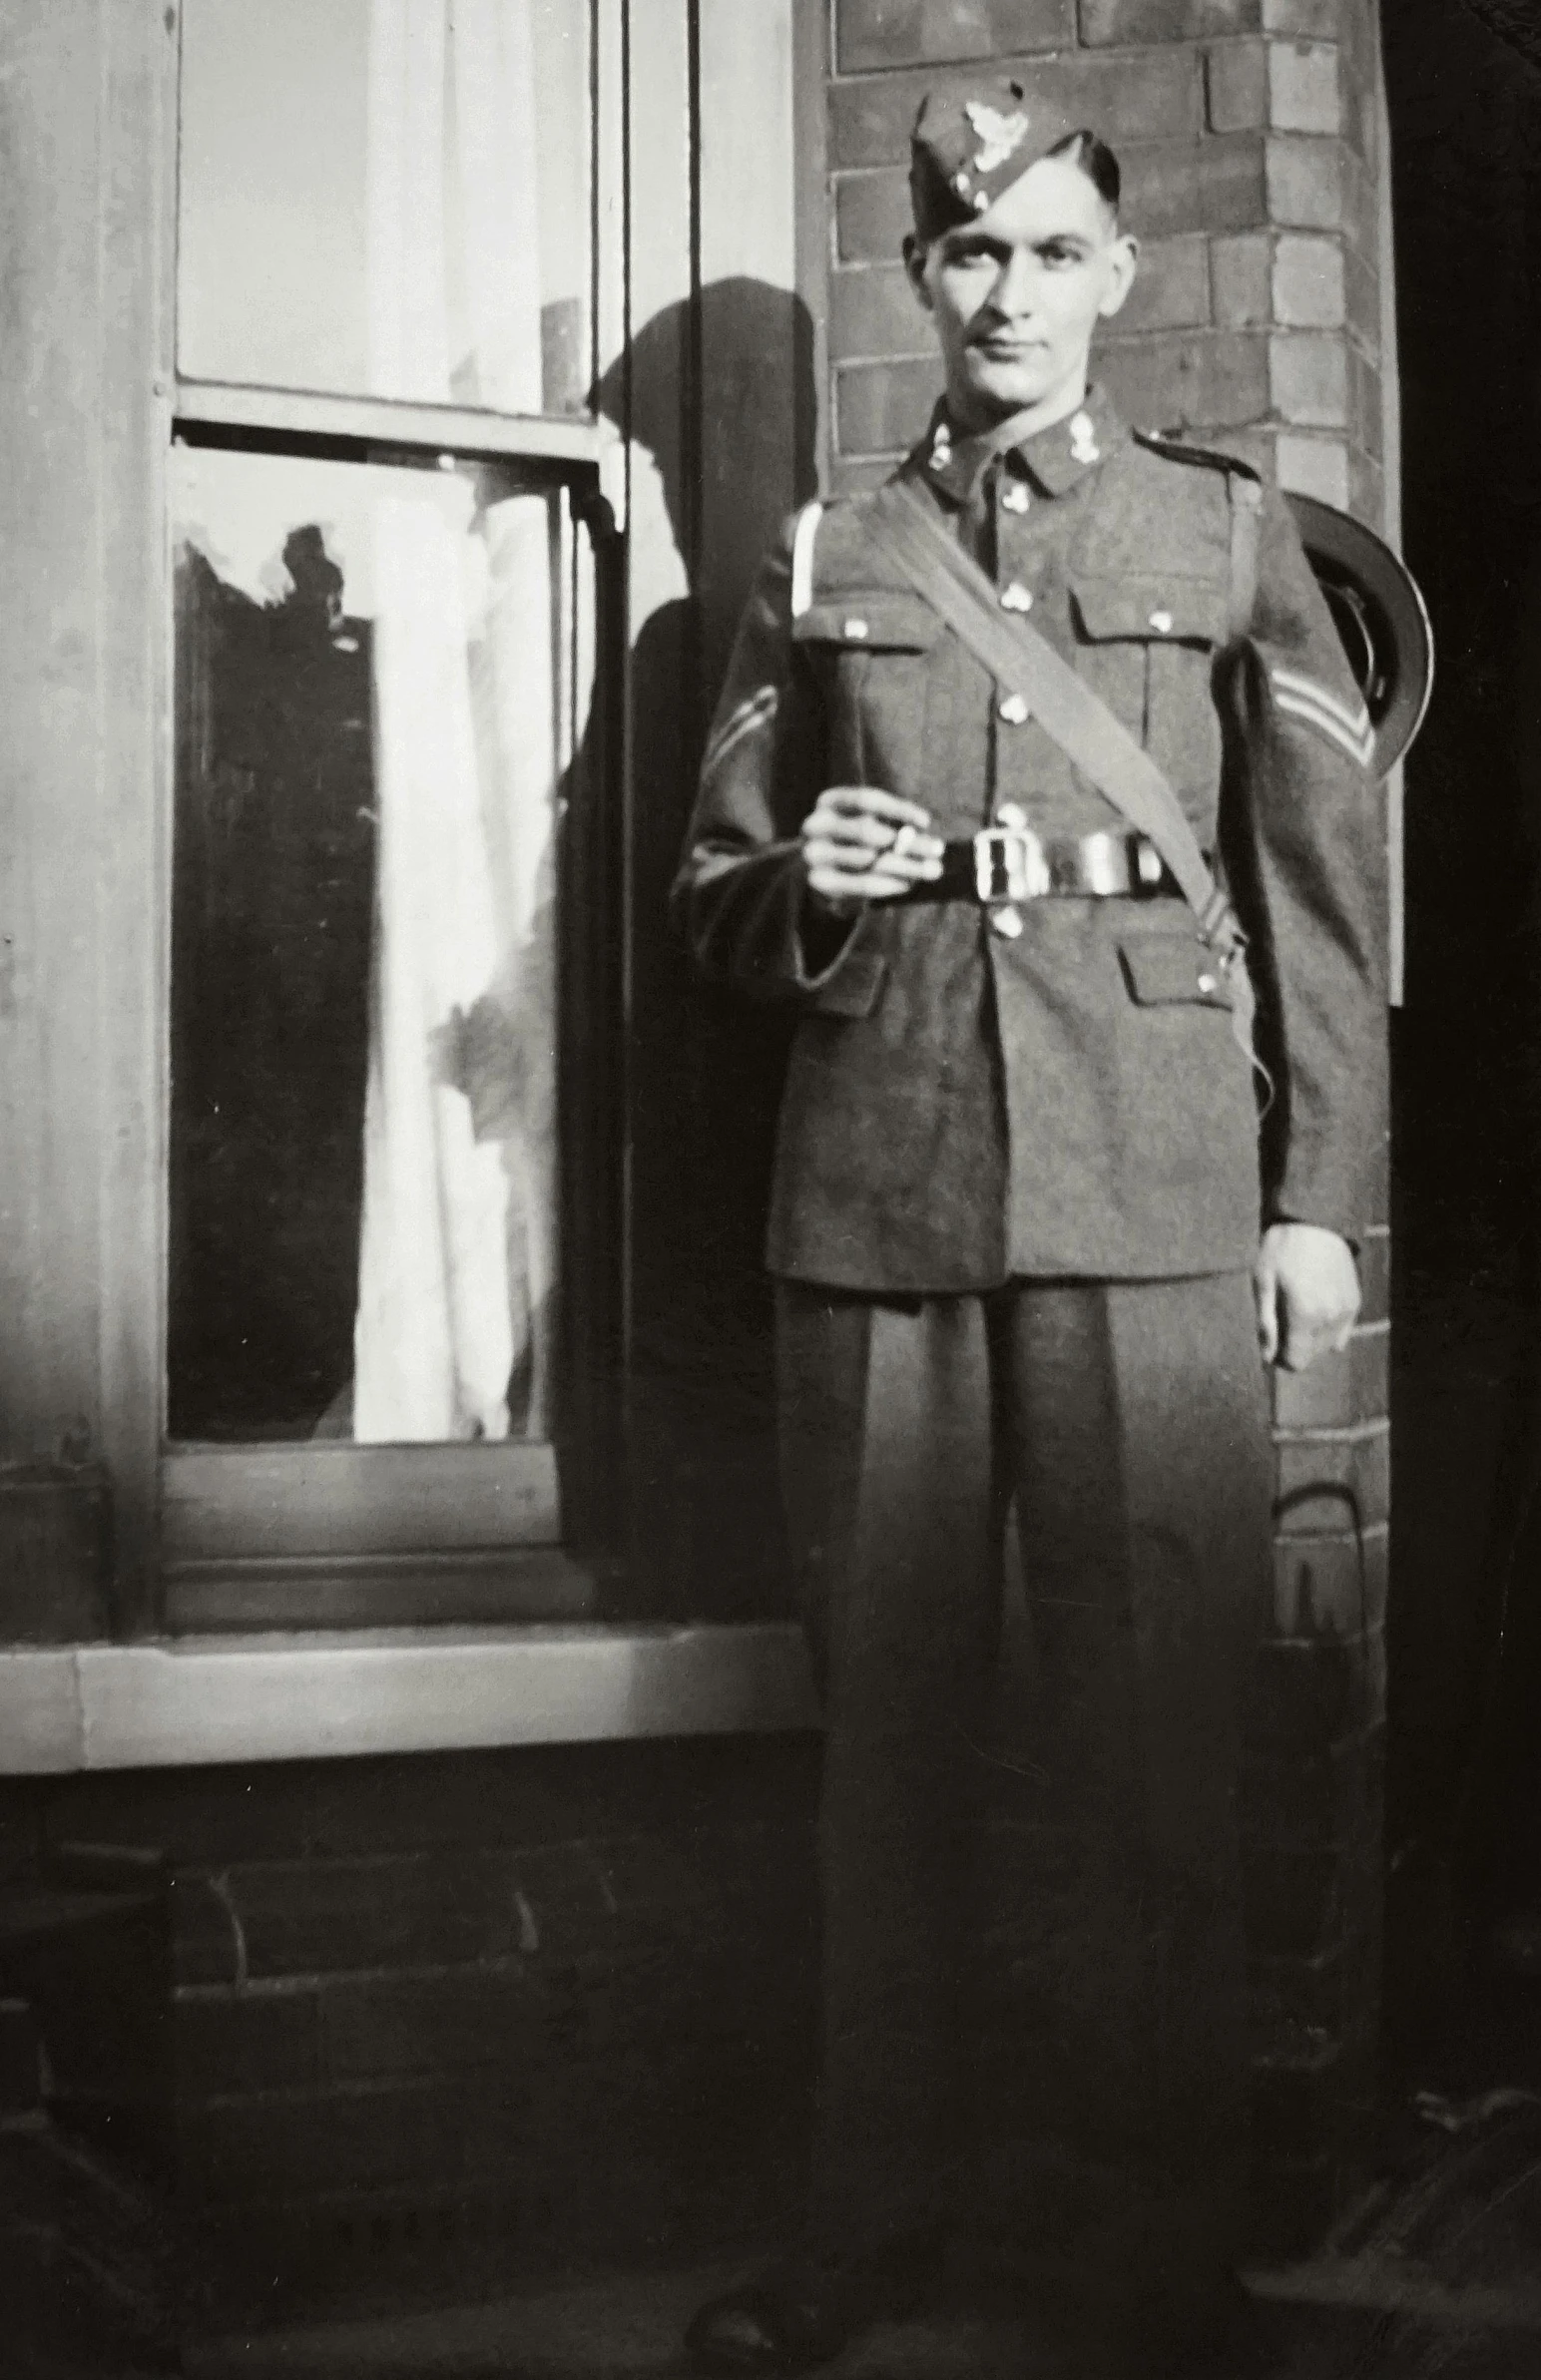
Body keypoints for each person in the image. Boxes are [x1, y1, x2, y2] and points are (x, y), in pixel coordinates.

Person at [672, 77, 1385, 2375]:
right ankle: (867, 2235)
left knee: (1149, 1758)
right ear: (925, 284)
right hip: (875, 1195)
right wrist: (806, 884)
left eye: (1053, 252)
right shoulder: (822, 559)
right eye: (969, 256)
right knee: (883, 1753)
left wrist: (1316, 1211)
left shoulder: (1231, 535)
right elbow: (709, 885)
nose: (1009, 294)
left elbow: (1318, 906)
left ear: (1117, 278)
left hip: (1152, 1189)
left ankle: (1150, 2263)